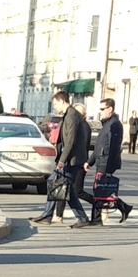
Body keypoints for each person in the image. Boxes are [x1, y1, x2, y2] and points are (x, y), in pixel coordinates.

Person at [33, 91, 90, 226]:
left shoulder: (72, 116)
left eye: (56, 104)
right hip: (70, 158)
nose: (55, 107)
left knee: (59, 184)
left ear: (62, 101)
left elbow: (70, 142)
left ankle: (50, 215)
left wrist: (62, 161)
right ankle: (51, 216)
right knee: (63, 186)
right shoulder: (69, 115)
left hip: (72, 160)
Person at [81, 97, 132, 226]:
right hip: (101, 160)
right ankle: (123, 207)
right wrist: (90, 161)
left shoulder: (115, 124)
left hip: (106, 161)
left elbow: (114, 147)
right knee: (103, 190)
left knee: (99, 189)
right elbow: (99, 145)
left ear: (110, 109)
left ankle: (96, 219)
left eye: (103, 109)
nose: (101, 112)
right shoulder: (106, 124)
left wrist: (109, 169)